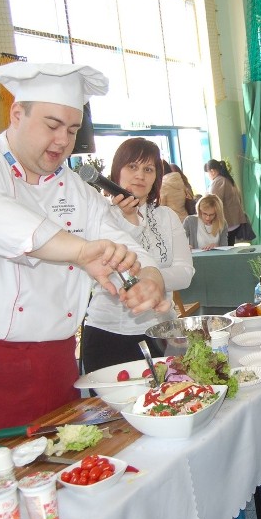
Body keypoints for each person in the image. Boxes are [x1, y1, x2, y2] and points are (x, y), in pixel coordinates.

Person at [0, 62, 169, 470]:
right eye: (52, 124)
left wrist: (149, 277)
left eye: (72, 131)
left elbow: (122, 241)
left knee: (60, 468)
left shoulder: (76, 189)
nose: (62, 141)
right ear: (16, 114)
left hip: (47, 363)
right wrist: (79, 251)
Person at [81, 139, 194, 370]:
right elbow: (117, 276)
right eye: (132, 166)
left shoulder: (166, 216)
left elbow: (185, 274)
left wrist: (153, 280)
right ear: (117, 171)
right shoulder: (100, 215)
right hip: (108, 333)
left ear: (156, 178)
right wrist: (129, 221)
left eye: (148, 169)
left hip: (162, 331)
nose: (140, 175)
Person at [204, 159, 251, 245]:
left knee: (226, 249)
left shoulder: (219, 181)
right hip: (233, 221)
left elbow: (212, 202)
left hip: (228, 222)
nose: (207, 176)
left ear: (212, 171)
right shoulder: (227, 179)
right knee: (229, 247)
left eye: (207, 173)